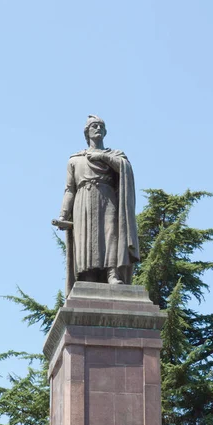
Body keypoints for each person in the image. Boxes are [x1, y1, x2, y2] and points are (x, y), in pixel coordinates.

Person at [57, 115, 140, 295]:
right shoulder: (75, 160)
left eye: (101, 126)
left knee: (111, 234)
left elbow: (124, 168)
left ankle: (113, 273)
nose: (98, 129)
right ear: (87, 132)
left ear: (105, 132)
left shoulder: (114, 155)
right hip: (83, 201)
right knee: (85, 239)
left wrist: (102, 156)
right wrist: (63, 215)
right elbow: (69, 189)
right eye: (94, 126)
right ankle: (89, 275)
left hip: (107, 197)